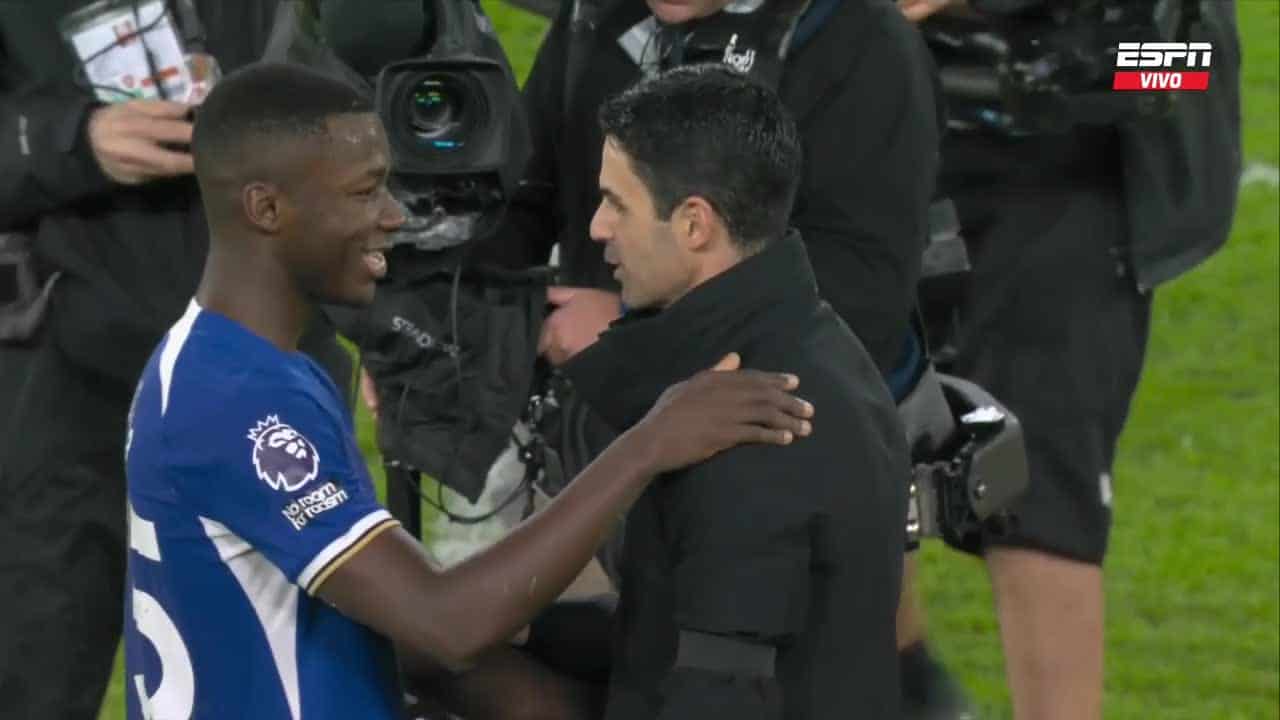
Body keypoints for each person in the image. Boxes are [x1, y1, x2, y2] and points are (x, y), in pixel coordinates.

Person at [123, 61, 816, 719]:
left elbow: (390, 622)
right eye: (364, 192)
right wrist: (650, 444)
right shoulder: (238, 401)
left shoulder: (238, 365)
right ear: (267, 209)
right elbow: (444, 622)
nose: (393, 215)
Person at [0, 2, 351, 717]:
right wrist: (76, 139)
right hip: (70, 374)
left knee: (280, 671)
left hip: (268, 358)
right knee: (38, 664)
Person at [894, 1, 1242, 718]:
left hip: (1076, 142)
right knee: (844, 443)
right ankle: (907, 687)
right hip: (885, 128)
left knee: (1034, 478)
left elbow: (1183, 64)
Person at [551, 64, 907, 719]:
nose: (598, 227)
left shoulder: (751, 415)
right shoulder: (812, 343)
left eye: (617, 203)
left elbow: (724, 693)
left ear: (695, 224)